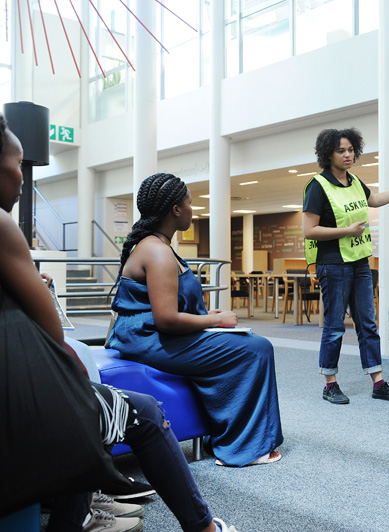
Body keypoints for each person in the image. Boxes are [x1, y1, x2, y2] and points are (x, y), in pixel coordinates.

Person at [0, 116, 239, 532]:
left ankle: (87, 504)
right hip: (20, 402)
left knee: (81, 383)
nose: (22, 178)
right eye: (17, 165)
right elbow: (53, 332)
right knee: (121, 409)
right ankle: (200, 526)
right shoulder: (2, 226)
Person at [108, 173, 283, 467]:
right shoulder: (158, 252)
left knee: (250, 346)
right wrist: (214, 322)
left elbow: (165, 311)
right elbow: (166, 320)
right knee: (257, 348)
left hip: (150, 335)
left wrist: (208, 317)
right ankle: (244, 448)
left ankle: (231, 434)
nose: (192, 209)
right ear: (176, 210)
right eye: (189, 204)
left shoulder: (157, 246)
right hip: (150, 340)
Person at [302, 127, 389, 404]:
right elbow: (309, 230)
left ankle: (378, 382)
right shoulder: (317, 186)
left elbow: (374, 200)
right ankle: (330, 383)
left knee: (368, 324)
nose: (347, 155)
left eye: (350, 150)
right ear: (327, 154)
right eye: (340, 151)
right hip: (333, 264)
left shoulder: (354, 181)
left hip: (359, 263)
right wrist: (345, 231)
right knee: (334, 326)